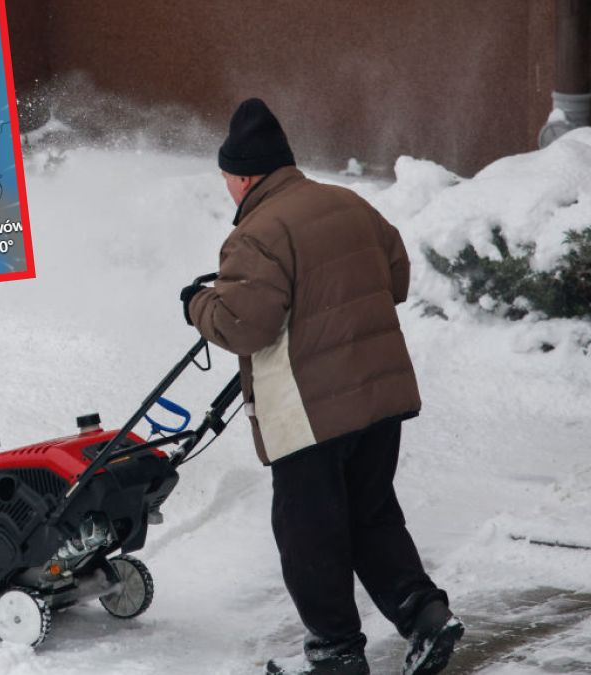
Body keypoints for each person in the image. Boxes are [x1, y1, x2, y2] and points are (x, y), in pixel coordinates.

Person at [181, 98, 464, 675]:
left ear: (244, 175)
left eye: (228, 181)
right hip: (379, 400)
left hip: (309, 413)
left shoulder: (257, 234)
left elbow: (244, 325)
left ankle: (334, 656)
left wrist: (198, 303)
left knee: (309, 533)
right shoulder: (349, 203)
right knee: (371, 514)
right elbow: (397, 276)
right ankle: (426, 617)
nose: (228, 192)